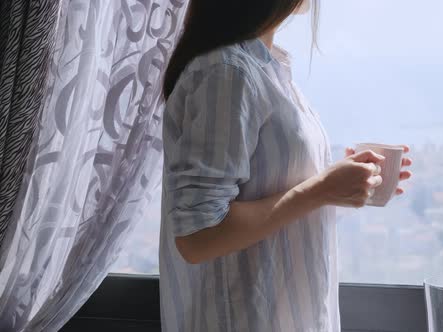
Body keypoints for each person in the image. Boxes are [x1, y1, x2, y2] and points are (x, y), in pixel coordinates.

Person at [159, 0, 412, 330]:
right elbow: (199, 236)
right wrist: (321, 189)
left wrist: (342, 186)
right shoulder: (227, 73)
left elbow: (272, 191)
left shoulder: (264, 68)